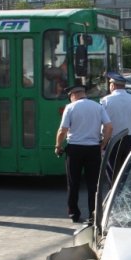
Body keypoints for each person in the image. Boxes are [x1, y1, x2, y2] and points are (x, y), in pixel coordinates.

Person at [55, 83, 113, 223]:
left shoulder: (70, 107)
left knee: (73, 183)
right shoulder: (98, 107)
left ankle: (74, 214)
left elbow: (62, 130)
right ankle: (93, 215)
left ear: (73, 95)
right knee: (93, 184)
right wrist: (103, 143)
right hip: (93, 149)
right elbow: (109, 126)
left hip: (74, 149)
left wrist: (58, 146)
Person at [101, 72, 131, 179]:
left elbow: (103, 124)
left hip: (113, 141)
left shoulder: (105, 101)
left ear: (112, 85)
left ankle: (113, 192)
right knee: (129, 172)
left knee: (112, 173)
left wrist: (103, 142)